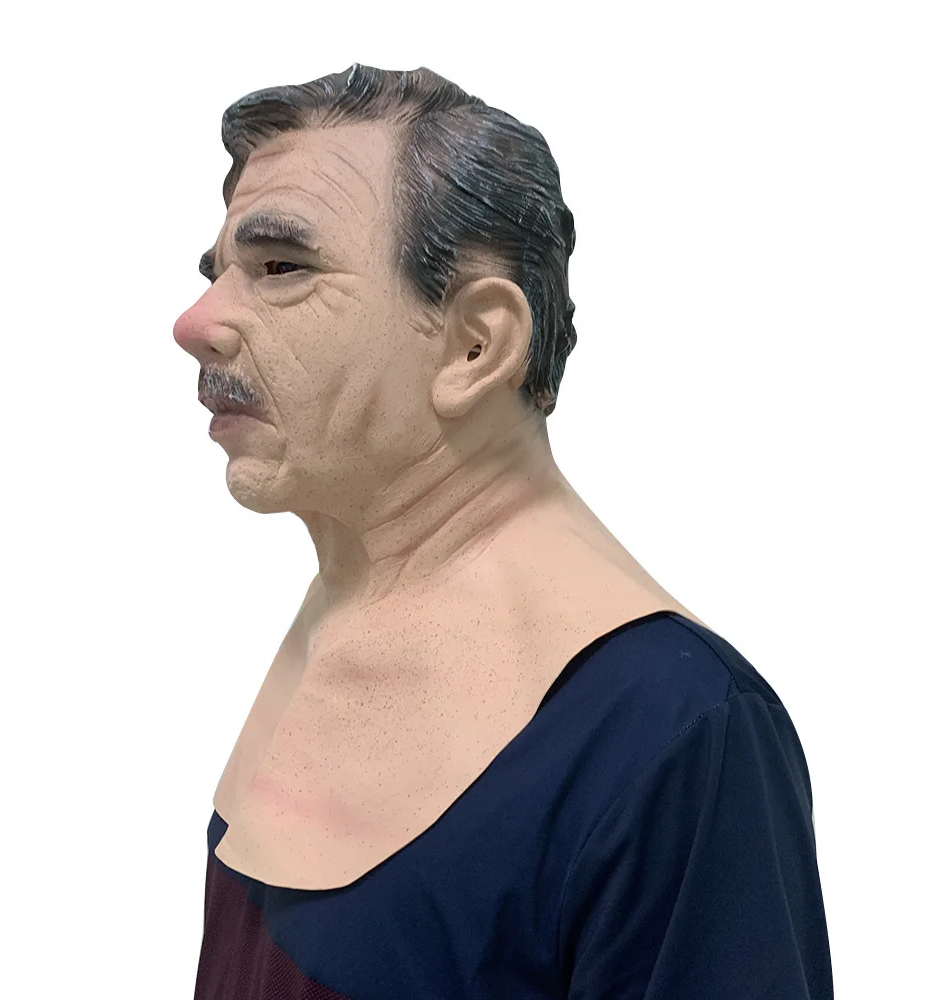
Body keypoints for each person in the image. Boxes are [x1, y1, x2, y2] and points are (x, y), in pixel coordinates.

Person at [173, 62, 833, 999]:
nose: (195, 322)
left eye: (281, 267)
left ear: (475, 343)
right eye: (217, 274)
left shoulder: (674, 734)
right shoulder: (326, 633)